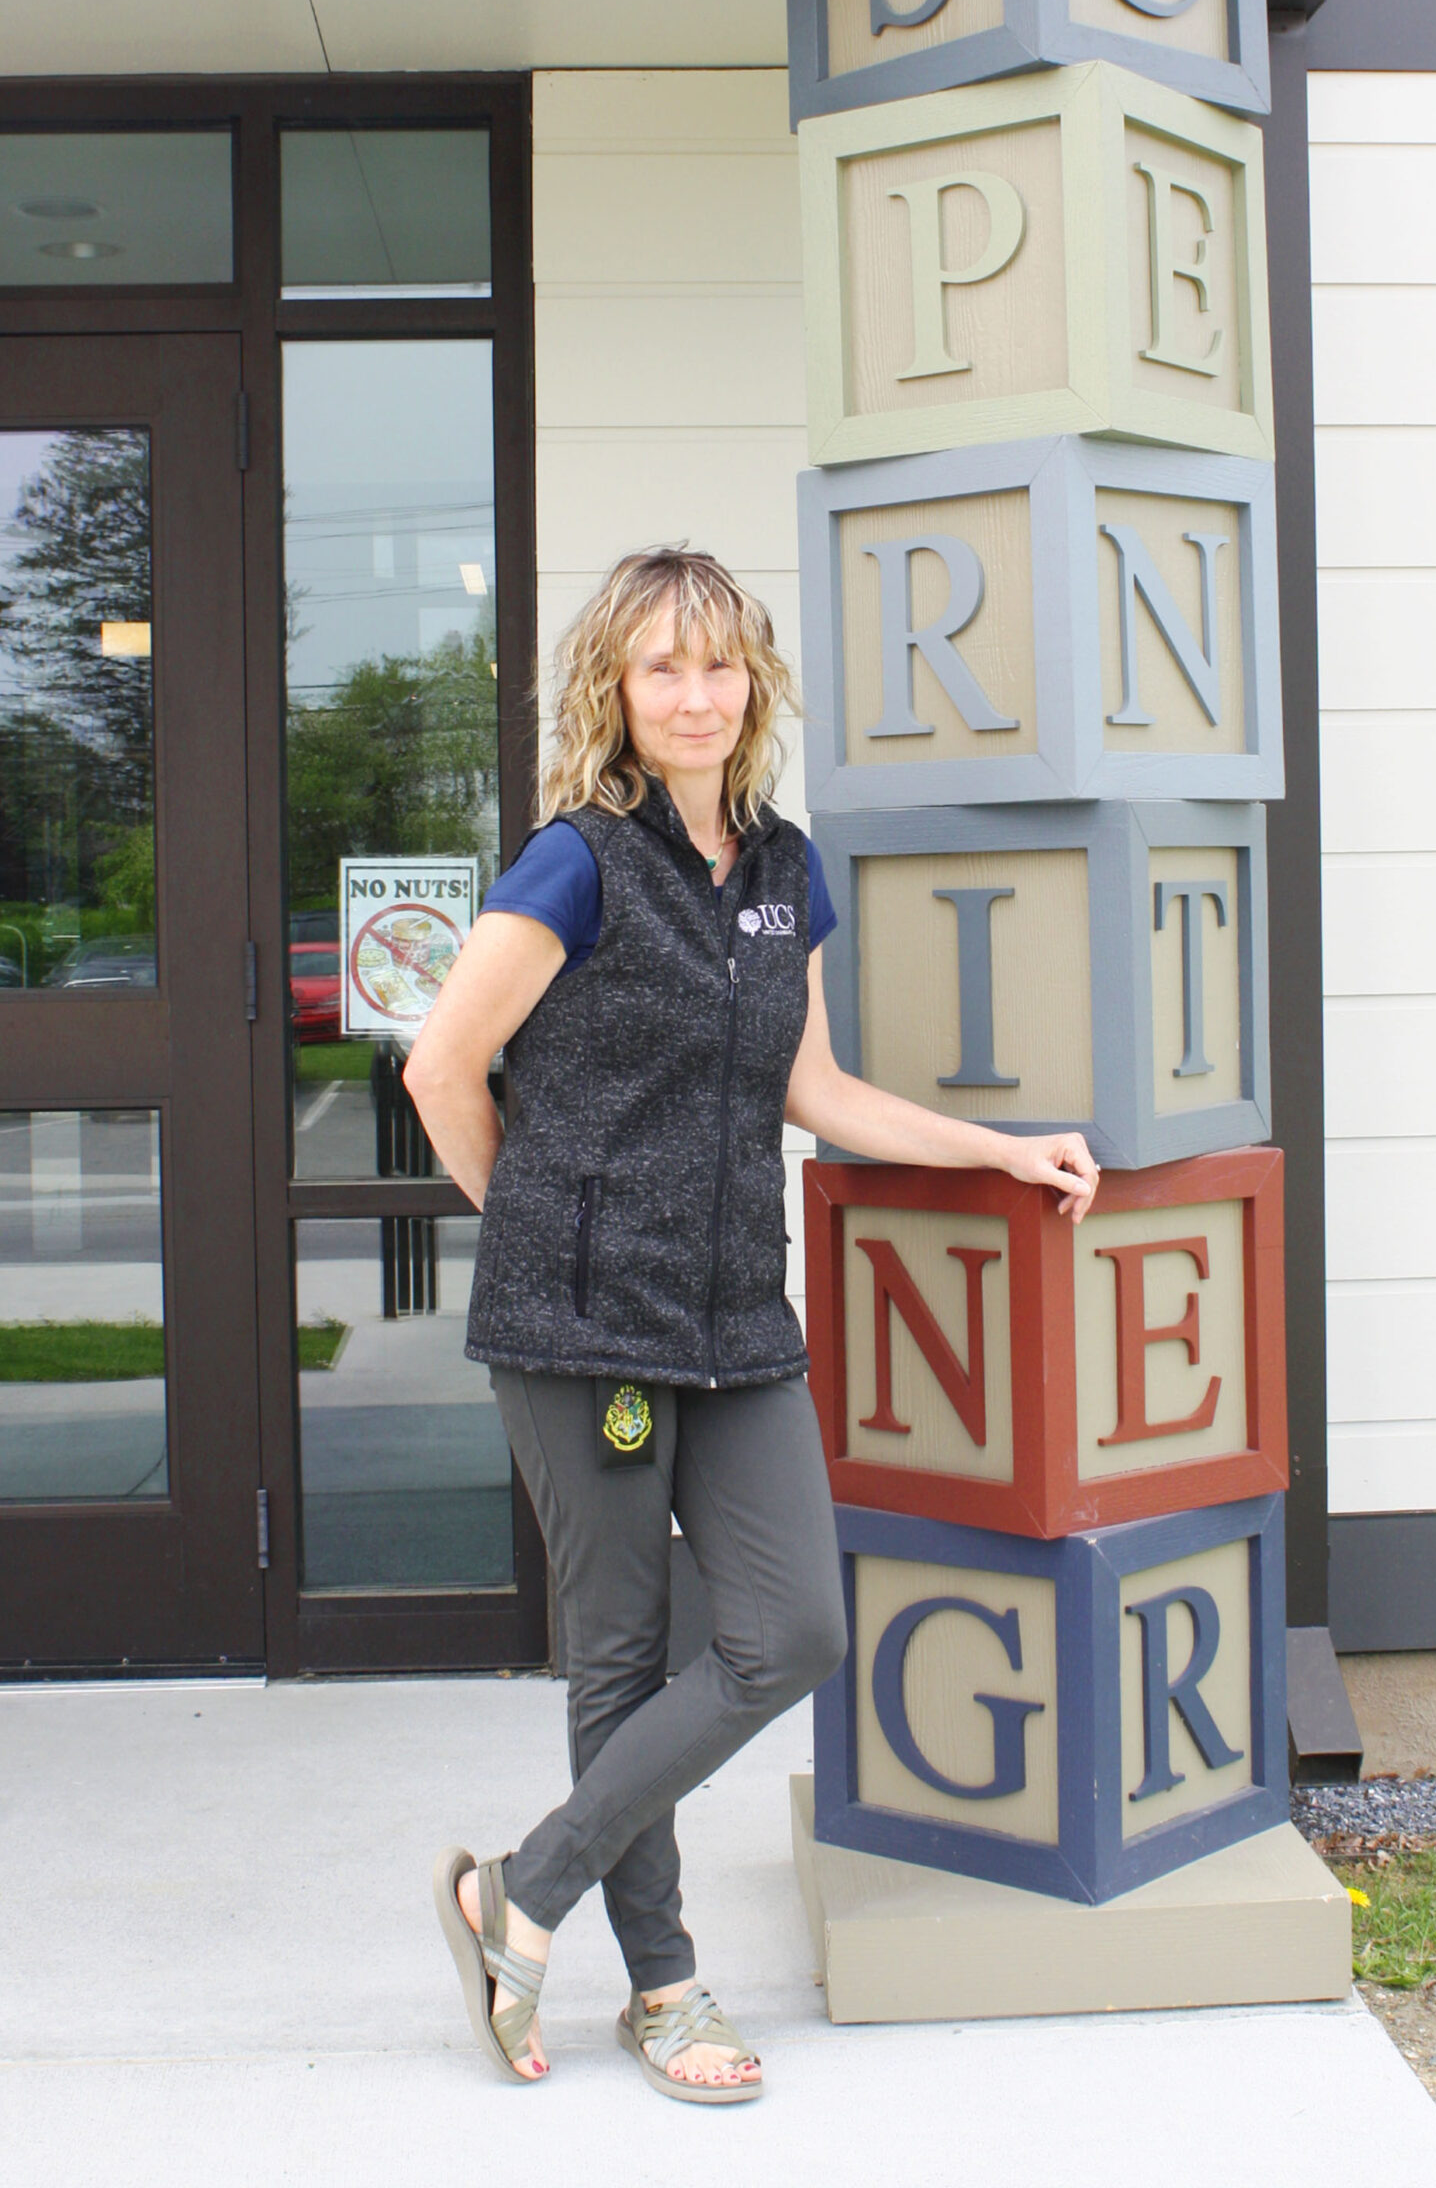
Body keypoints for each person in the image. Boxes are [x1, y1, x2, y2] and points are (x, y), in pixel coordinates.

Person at [406, 547, 1098, 2103]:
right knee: (620, 1652)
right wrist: (533, 1237)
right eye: (664, 668)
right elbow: (441, 1067)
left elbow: (816, 1091)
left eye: (719, 666)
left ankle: (517, 1890)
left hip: (733, 1318)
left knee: (790, 1628)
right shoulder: (574, 862)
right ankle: (664, 1991)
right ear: (618, 690)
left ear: (754, 683)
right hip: (583, 1330)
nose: (696, 696)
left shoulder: (786, 870)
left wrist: (1003, 1148)